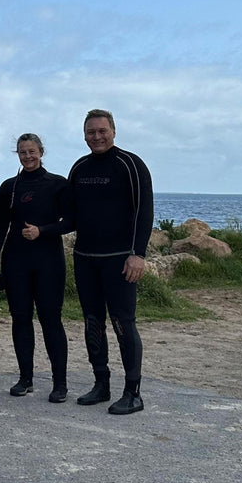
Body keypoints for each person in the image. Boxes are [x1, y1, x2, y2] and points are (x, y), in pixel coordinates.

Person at [68, 109, 153, 415]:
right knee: (93, 322)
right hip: (85, 258)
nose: (97, 137)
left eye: (102, 131)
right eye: (91, 132)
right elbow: (69, 214)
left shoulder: (130, 164)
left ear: (113, 132)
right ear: (84, 135)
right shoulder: (79, 168)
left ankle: (133, 392)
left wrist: (138, 254)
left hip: (120, 260)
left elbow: (144, 211)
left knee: (122, 323)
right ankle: (101, 384)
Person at [0, 133, 72, 403]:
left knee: (51, 320)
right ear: (18, 155)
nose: (28, 156)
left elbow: (70, 221)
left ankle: (60, 384)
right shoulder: (10, 187)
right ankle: (26, 379)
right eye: (23, 152)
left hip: (49, 261)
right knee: (20, 319)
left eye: (32, 151)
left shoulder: (57, 184)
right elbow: (0, 225)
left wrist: (42, 231)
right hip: (16, 261)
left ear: (41, 152)